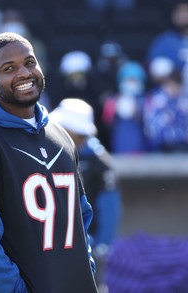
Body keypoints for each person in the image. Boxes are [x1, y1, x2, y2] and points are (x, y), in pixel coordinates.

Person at [0, 32, 97, 292]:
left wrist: (83, 269)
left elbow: (79, 216)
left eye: (29, 62)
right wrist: (16, 289)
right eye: (9, 68)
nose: (24, 73)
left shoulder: (60, 135)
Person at [50, 98, 122, 288]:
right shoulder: (51, 154)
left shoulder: (99, 164)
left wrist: (100, 246)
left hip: (86, 246)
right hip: (54, 245)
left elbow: (109, 209)